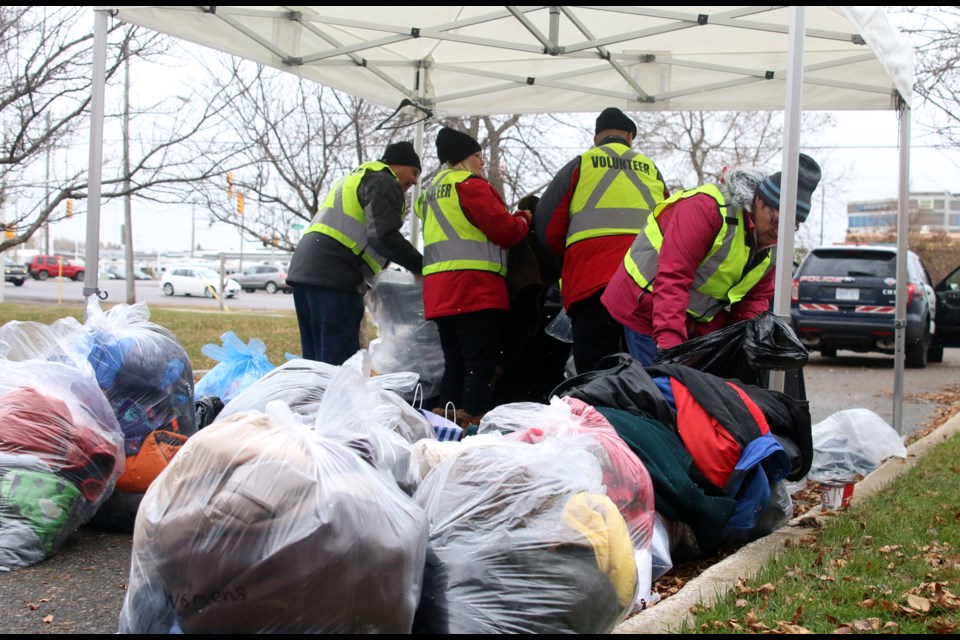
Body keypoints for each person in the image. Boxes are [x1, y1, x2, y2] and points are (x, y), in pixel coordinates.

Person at [601, 153, 823, 365]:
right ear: (758, 200)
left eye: (791, 226)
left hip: (694, 319)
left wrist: (740, 342)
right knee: (656, 392)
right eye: (776, 220)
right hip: (643, 303)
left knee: (693, 393)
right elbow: (674, 277)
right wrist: (670, 348)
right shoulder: (707, 208)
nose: (779, 231)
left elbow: (755, 297)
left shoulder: (775, 243)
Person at [534, 107, 669, 374]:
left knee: (594, 369)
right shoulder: (651, 169)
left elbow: (548, 228)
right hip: (642, 281)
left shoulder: (580, 164)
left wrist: (573, 252)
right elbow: (671, 221)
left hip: (591, 282)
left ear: (596, 138)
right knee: (644, 368)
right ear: (630, 136)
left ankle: (595, 413)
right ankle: (639, 413)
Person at [415, 126, 533, 426]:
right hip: (474, 289)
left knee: (454, 361)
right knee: (479, 362)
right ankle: (472, 422)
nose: (482, 162)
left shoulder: (429, 193)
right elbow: (505, 231)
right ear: (465, 158)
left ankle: (444, 418)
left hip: (439, 293)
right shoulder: (471, 186)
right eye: (478, 156)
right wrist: (523, 218)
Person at [286, 140, 424, 365]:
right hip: (335, 277)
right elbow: (383, 235)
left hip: (306, 271)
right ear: (398, 165)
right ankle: (332, 401)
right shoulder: (384, 180)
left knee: (314, 363)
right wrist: (421, 266)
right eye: (414, 172)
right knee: (337, 364)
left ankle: (314, 400)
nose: (415, 181)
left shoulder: (357, 177)